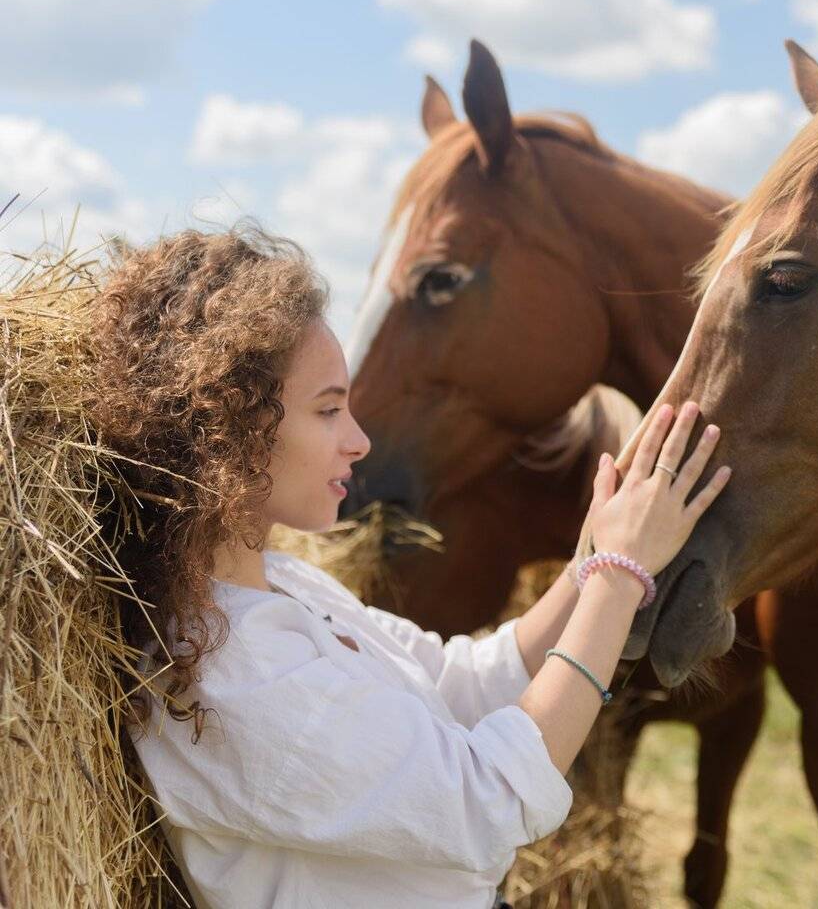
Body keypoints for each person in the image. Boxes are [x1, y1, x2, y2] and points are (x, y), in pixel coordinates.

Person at [90, 226, 730, 909]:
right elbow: (489, 804)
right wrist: (618, 575)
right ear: (224, 426)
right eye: (329, 410)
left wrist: (588, 558)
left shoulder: (282, 587)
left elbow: (457, 681)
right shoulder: (230, 675)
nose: (358, 441)